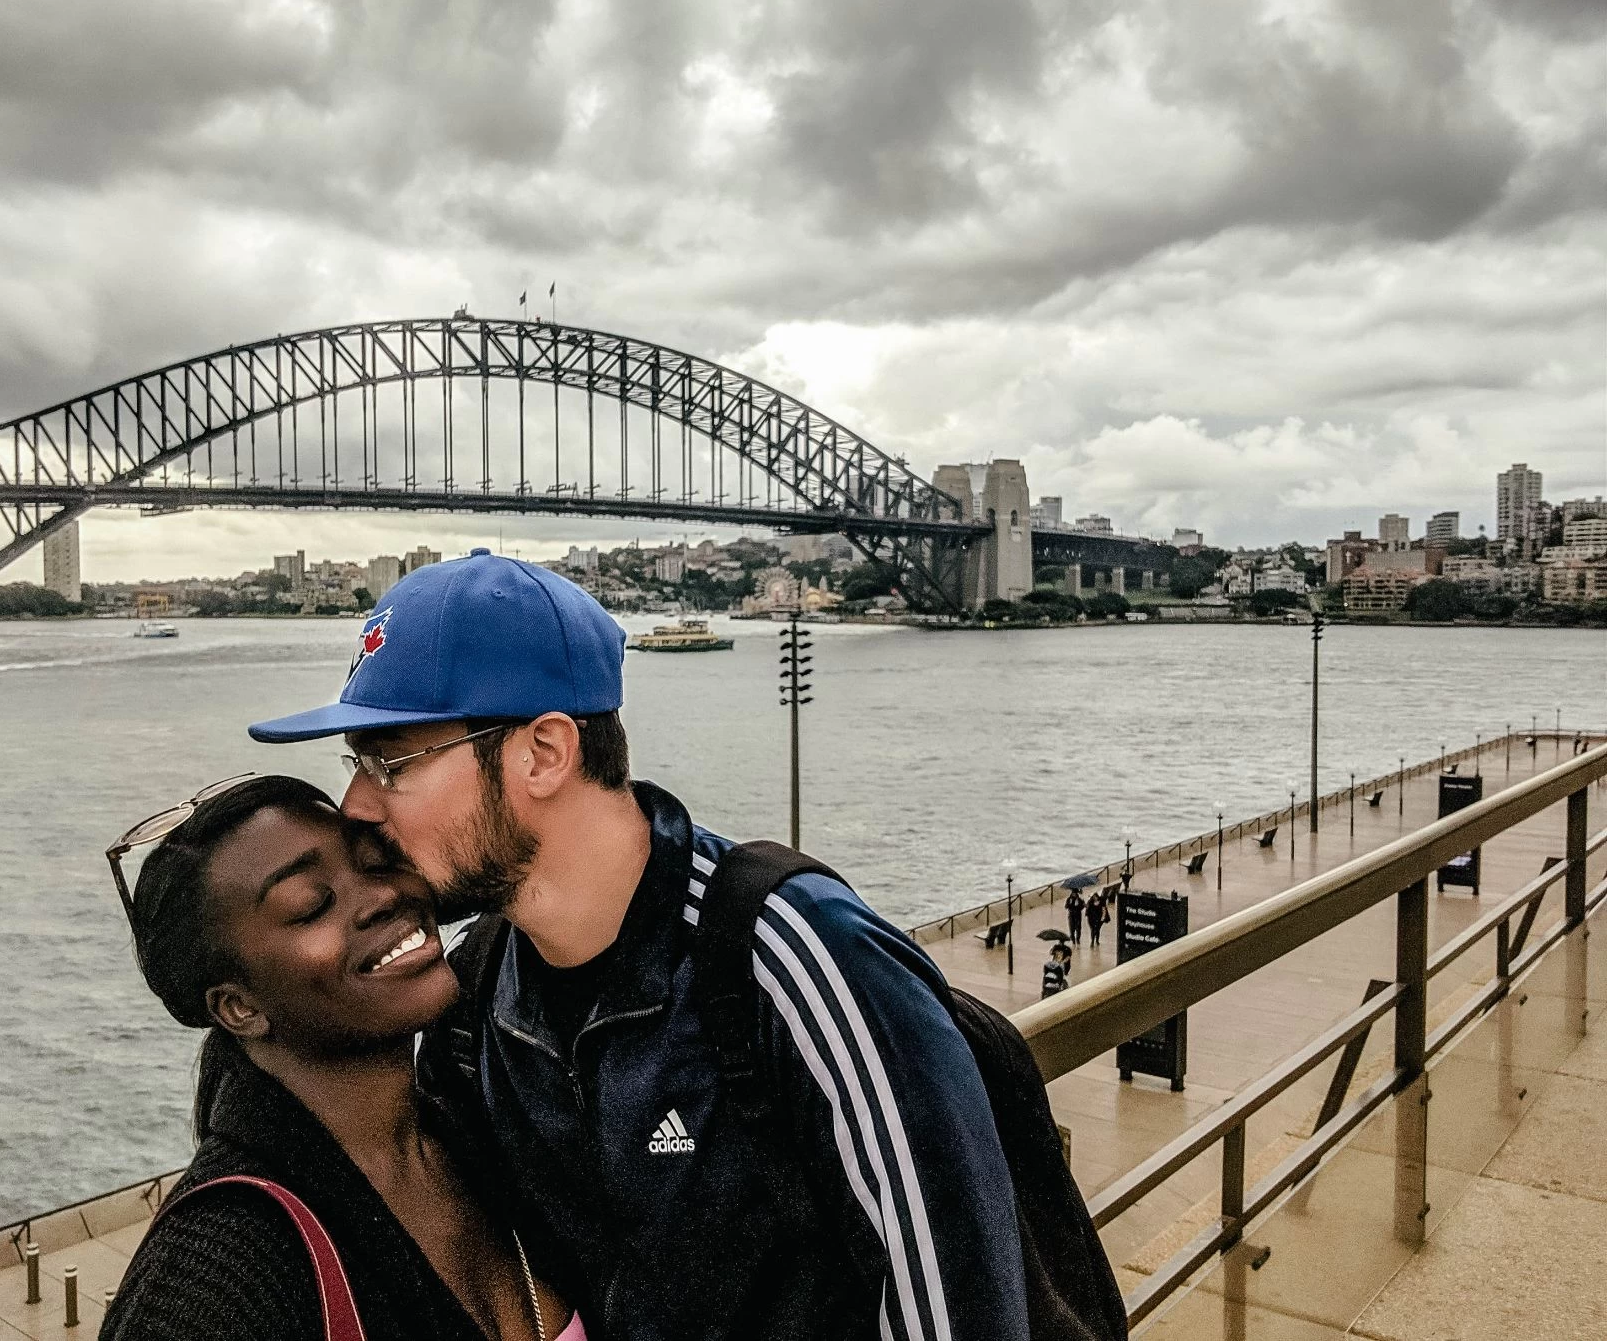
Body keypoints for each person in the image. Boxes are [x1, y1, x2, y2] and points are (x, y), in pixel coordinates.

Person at [251, 549, 1034, 1341]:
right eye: (357, 763)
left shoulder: (794, 959)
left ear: (545, 752)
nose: (354, 806)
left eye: (392, 763)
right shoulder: (476, 1005)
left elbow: (961, 1316)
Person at [100, 775, 582, 1341]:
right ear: (238, 1007)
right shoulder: (217, 1276)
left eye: (379, 862)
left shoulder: (485, 1138)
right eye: (311, 905)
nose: (383, 895)